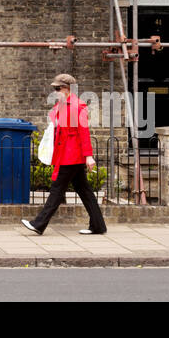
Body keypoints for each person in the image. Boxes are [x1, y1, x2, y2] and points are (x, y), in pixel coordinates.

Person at [22, 73, 107, 236]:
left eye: (58, 88)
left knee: (57, 189)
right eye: (54, 88)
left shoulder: (78, 106)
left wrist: (88, 156)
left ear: (68, 89)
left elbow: (84, 133)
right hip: (65, 153)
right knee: (84, 190)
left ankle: (39, 224)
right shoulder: (62, 105)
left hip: (72, 155)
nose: (55, 91)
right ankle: (98, 225)